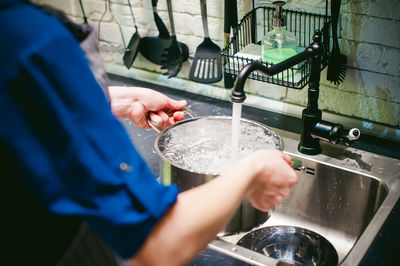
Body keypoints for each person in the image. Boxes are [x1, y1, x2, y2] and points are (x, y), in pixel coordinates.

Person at [0, 1, 298, 266]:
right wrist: (253, 170)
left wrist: (122, 100)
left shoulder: (14, 31)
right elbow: (155, 244)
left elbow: (25, 104)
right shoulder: (31, 38)